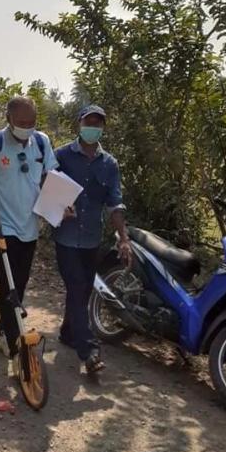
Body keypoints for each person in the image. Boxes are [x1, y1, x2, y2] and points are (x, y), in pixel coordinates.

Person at [0, 96, 58, 370]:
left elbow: (48, 177)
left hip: (30, 225)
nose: (27, 127)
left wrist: (59, 205)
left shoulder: (42, 142)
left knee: (20, 282)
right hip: (3, 226)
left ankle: (2, 330)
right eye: (22, 122)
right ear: (8, 119)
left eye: (32, 121)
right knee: (8, 285)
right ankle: (13, 344)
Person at [54, 104, 132, 374]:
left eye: (98, 123)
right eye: (89, 122)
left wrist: (123, 238)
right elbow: (45, 186)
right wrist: (58, 207)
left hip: (91, 239)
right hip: (65, 238)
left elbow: (115, 204)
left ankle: (67, 332)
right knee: (77, 286)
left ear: (103, 127)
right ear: (80, 124)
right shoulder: (61, 156)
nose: (93, 127)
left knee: (83, 290)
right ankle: (89, 351)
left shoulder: (109, 164)